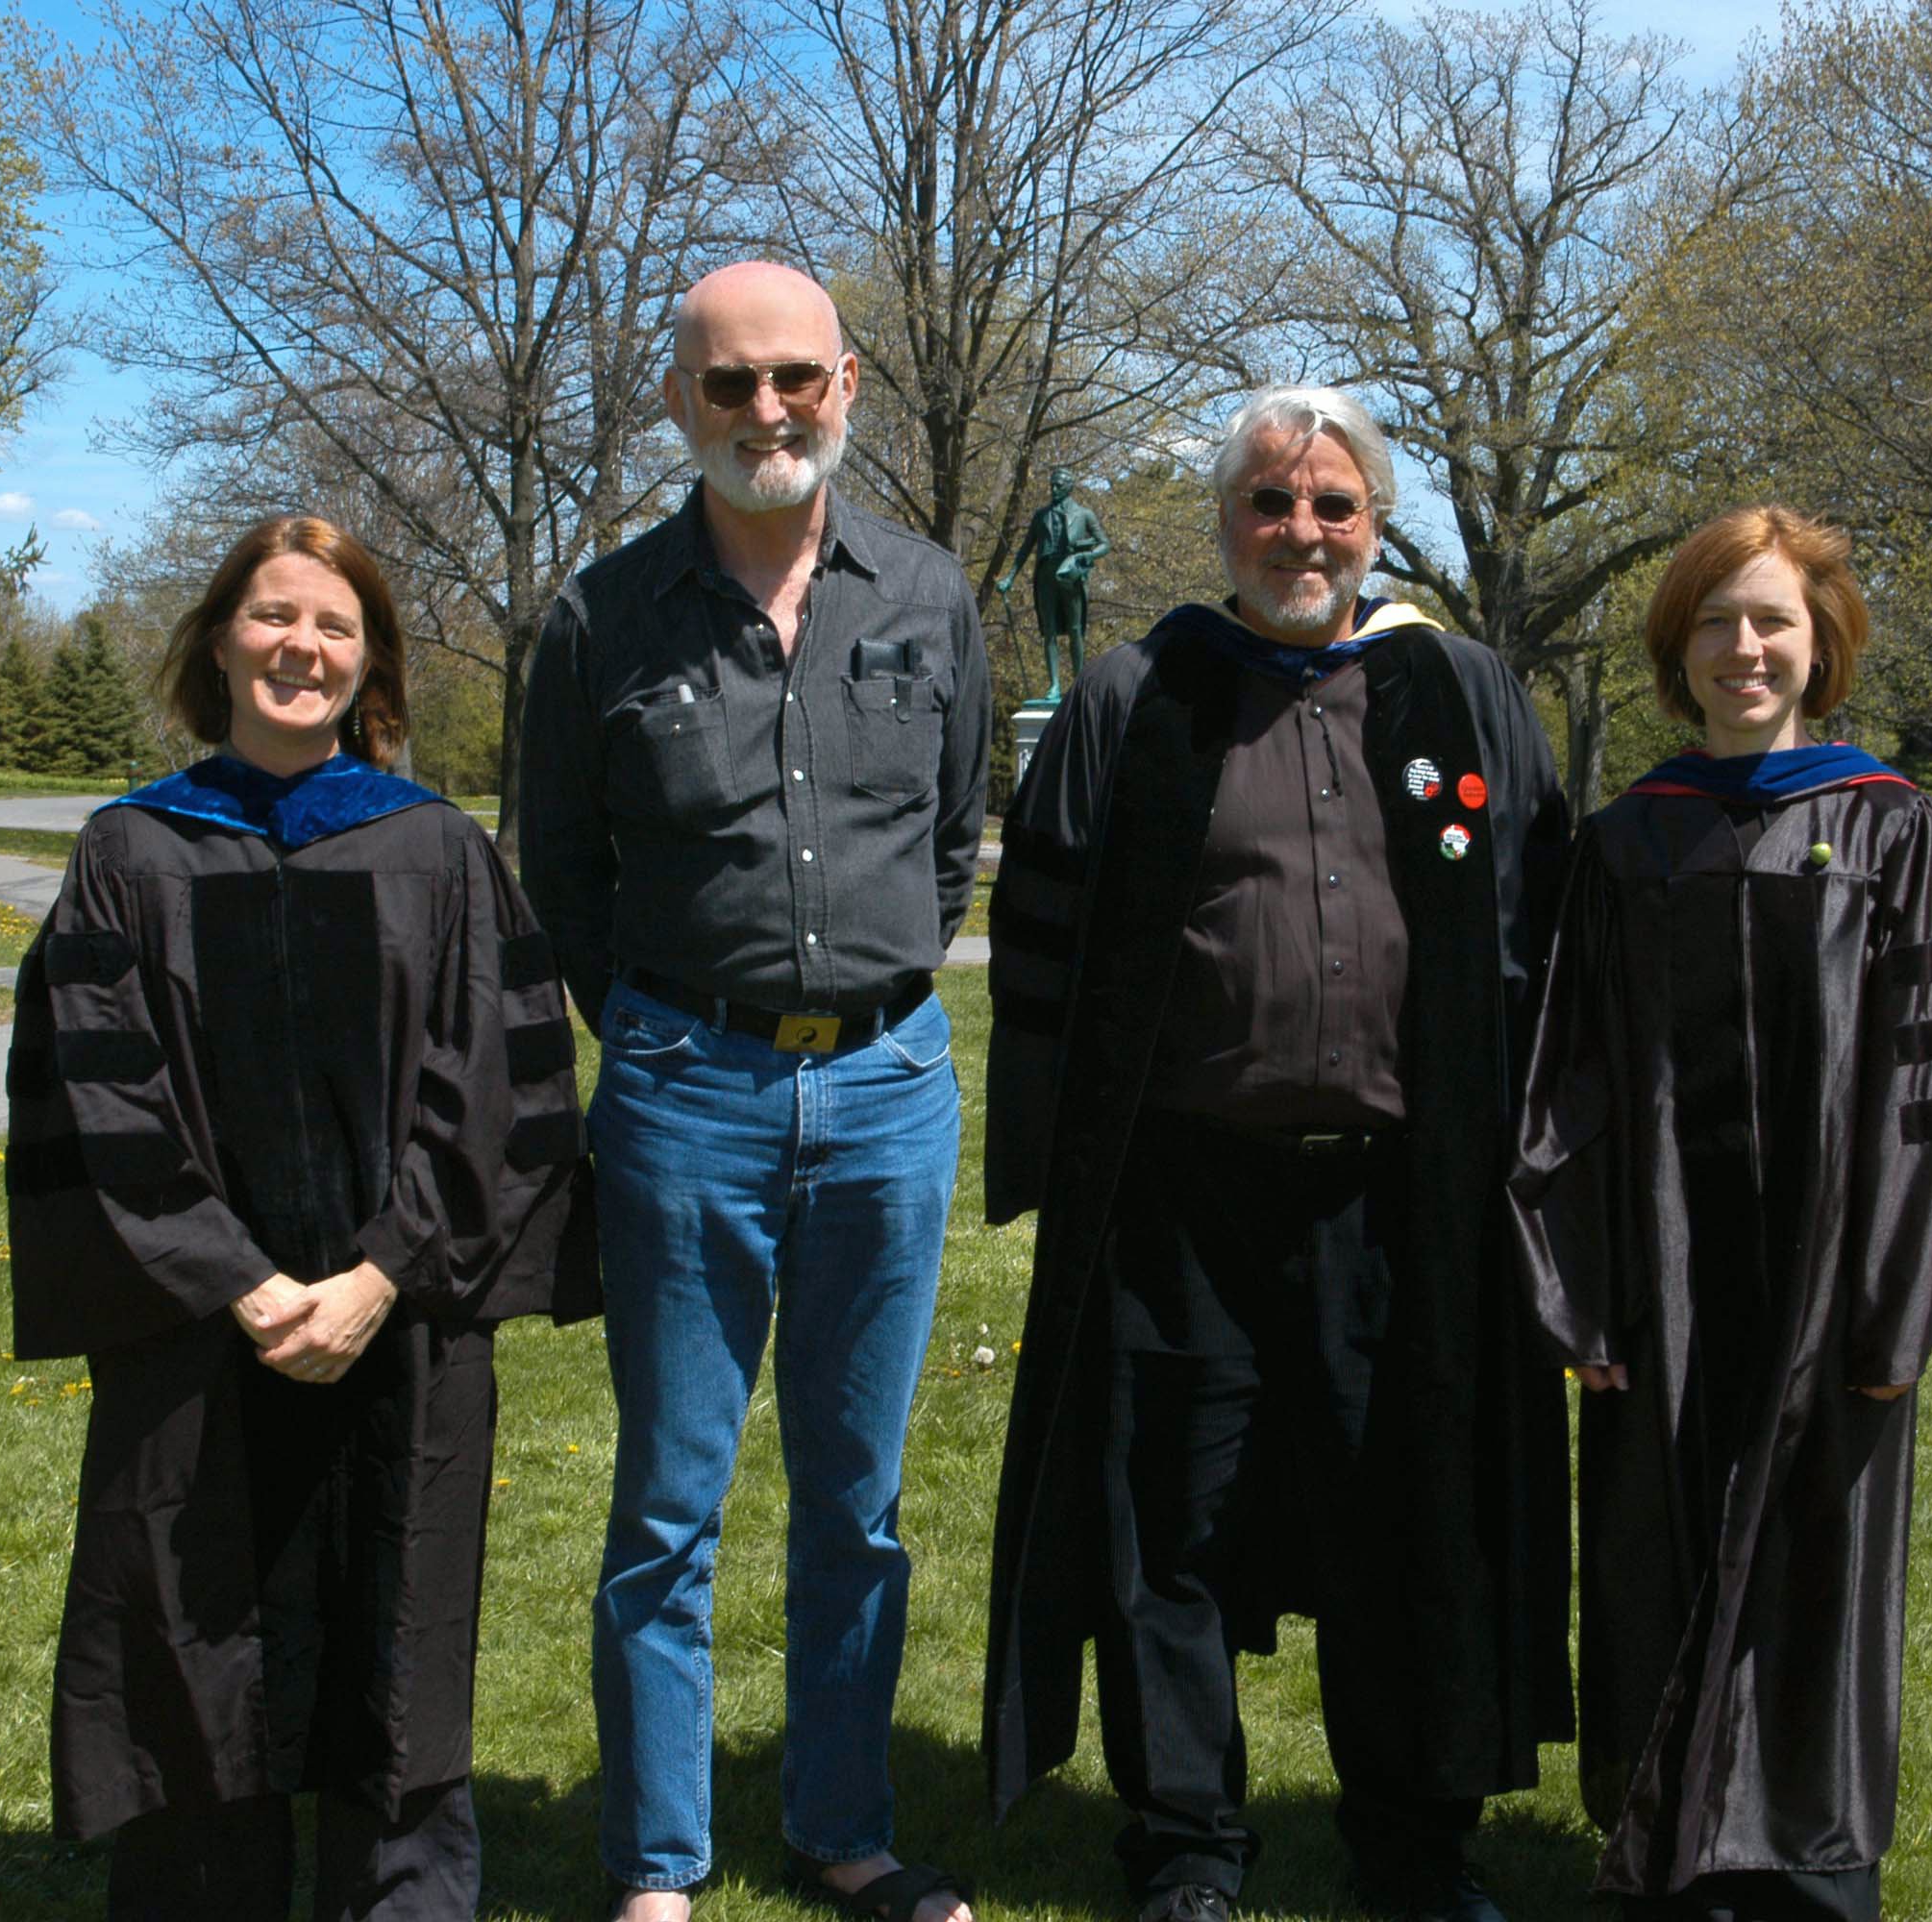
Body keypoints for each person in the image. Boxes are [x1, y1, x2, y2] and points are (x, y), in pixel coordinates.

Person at [980, 385, 1577, 1922]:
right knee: (1167, 1526)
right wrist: (1060, 1169)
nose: (1300, 531)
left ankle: (1414, 1846)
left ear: (1375, 524)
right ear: (1224, 522)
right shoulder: (1140, 694)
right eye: (1269, 502)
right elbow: (1043, 933)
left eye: (1334, 505)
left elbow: (1538, 926)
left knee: (1408, 1511)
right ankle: (1185, 1848)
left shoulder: (1461, 690)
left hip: (1405, 1195)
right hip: (1185, 1198)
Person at [6, 513, 595, 1919]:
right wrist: (243, 1283)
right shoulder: (129, 856)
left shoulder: (437, 852)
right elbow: (106, 1096)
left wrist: (381, 1274)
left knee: (398, 1641)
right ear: (219, 640)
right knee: (195, 1633)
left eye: (333, 625)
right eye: (273, 617)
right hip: (198, 1342)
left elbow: (495, 1091)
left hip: (400, 1334)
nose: (302, 646)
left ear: (369, 661)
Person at [518, 259, 991, 1922]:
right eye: (730, 385)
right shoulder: (597, 619)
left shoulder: (926, 596)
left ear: (847, 383)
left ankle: (843, 1829)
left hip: (885, 1091)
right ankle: (658, 1865)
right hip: (681, 1095)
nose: (767, 411)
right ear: (678, 401)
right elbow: (558, 871)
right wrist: (672, 1029)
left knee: (854, 1505)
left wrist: (849, 995)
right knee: (668, 1502)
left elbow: (947, 842)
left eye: (794, 377)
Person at [1508, 506, 1932, 1920]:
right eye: (1718, 619)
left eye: (1774, 619)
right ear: (1680, 646)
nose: (1746, 646)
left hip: (1833, 1271)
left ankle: (1814, 1861)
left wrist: (1900, 1302)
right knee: (1654, 1538)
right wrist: (1580, 1285)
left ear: (1821, 643)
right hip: (1661, 1265)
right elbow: (1572, 1084)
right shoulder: (1625, 846)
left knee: (1821, 1556)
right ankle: (1665, 1846)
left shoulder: (1895, 829)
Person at [996, 465, 1110, 700]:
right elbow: (1025, 549)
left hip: (1071, 575)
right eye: (1052, 484)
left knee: (1075, 630)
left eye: (1059, 485)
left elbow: (1104, 544)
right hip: (1046, 575)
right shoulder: (1041, 515)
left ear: (1070, 487)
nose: (1054, 488)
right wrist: (1010, 577)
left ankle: (1079, 683)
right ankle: (1054, 685)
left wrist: (1087, 556)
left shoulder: (1084, 514)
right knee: (1049, 631)